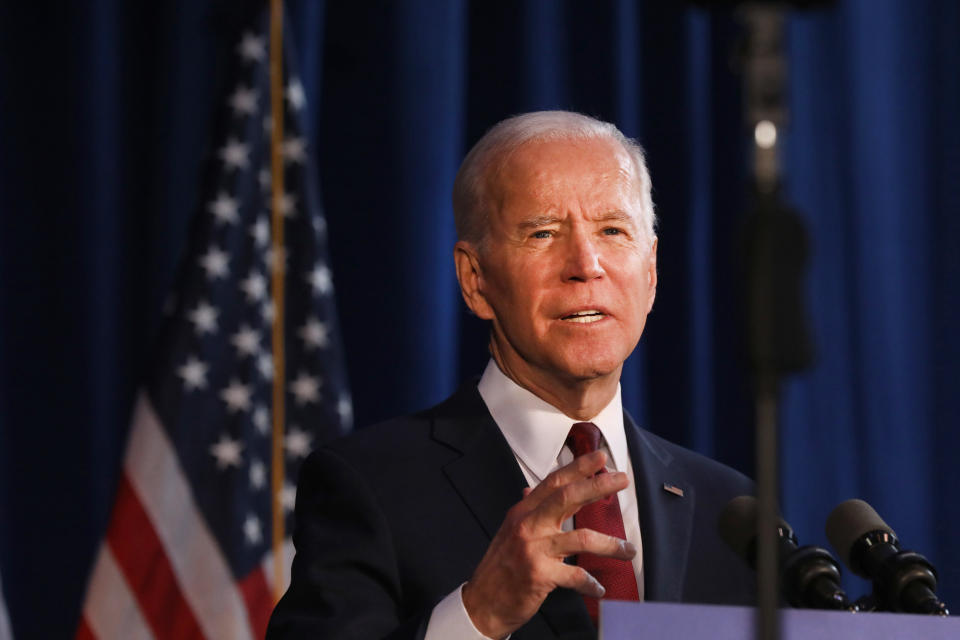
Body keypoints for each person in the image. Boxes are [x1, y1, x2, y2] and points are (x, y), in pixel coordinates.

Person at [266, 111, 754, 640]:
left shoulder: (731, 510)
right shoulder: (368, 486)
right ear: (475, 280)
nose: (586, 263)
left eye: (612, 230)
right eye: (543, 233)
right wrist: (479, 614)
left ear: (651, 271)